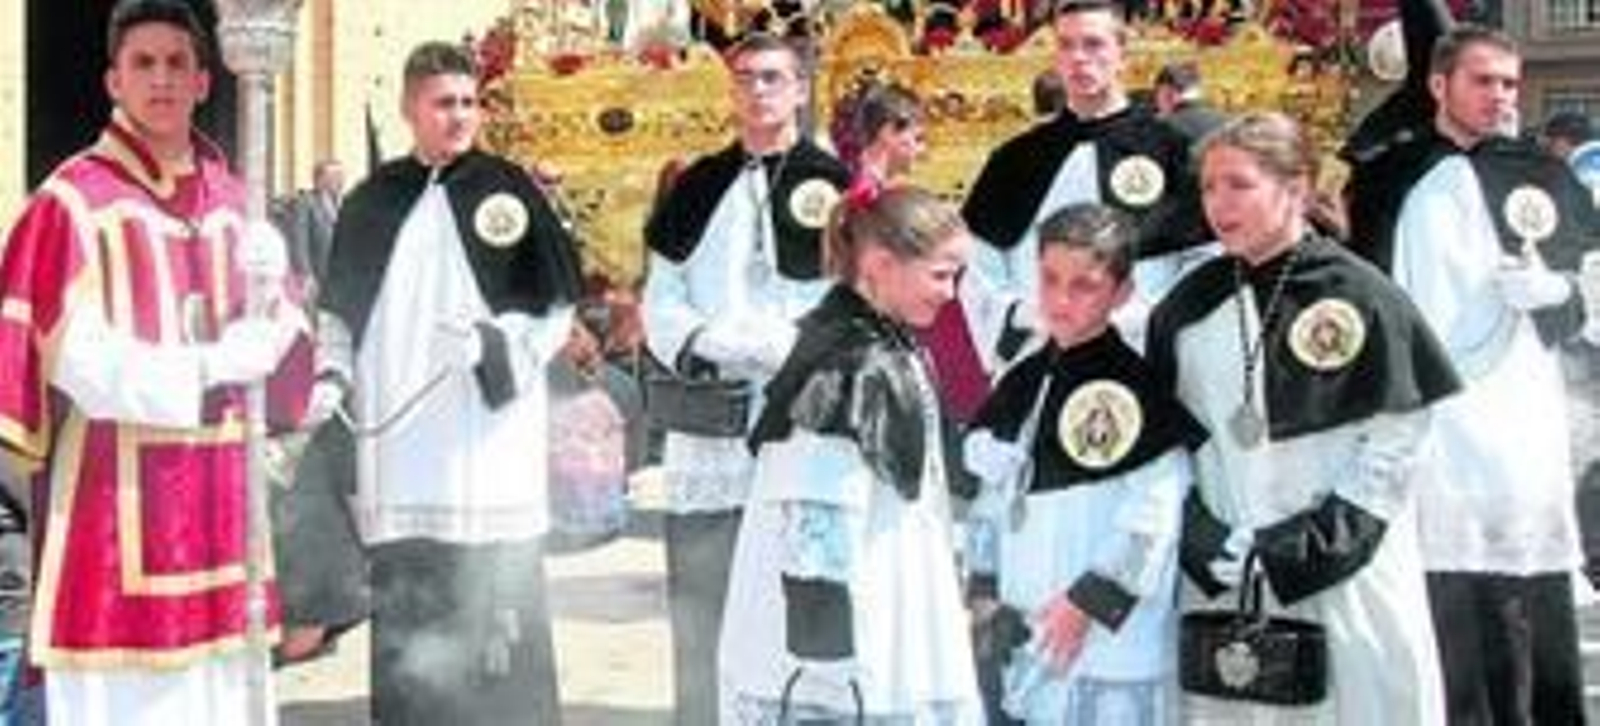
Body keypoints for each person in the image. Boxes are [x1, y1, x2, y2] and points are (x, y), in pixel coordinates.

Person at [0, 0, 313, 722]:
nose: (162, 79)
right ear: (113, 81)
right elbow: (82, 364)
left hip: (226, 523)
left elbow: (287, 381)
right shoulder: (72, 204)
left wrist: (283, 312)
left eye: (178, 63)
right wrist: (212, 366)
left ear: (206, 81)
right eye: (144, 63)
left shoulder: (243, 204)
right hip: (116, 528)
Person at [1145, 111, 1458, 724]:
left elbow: (1399, 437)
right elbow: (1167, 444)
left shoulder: (1362, 293)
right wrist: (1206, 537)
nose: (1217, 203)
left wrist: (1314, 546)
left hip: (1343, 572)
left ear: (1294, 188)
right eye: (1208, 186)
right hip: (1226, 568)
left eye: (1238, 184)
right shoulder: (1187, 306)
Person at [320, 40, 582, 725]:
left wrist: (498, 346)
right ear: (411, 108)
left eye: (469, 102)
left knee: (497, 607)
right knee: (411, 609)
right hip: (403, 448)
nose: (459, 116)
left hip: (489, 444)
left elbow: (555, 310)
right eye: (444, 103)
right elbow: (338, 316)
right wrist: (329, 375)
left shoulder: (509, 190)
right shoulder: (372, 201)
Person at [1379, 25, 1600, 724]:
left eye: (1509, 82)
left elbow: (1593, 288)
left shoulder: (1549, 177)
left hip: (1521, 416)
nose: (1502, 96)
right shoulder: (1390, 177)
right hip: (1427, 420)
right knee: (1439, 598)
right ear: (1439, 86)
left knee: (1526, 597)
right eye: (1484, 80)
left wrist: (1562, 294)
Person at [641, 32, 851, 725]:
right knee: (706, 596)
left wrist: (793, 343)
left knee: (794, 598)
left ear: (799, 89)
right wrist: (709, 341)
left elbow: (860, 292)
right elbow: (661, 297)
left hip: (802, 414)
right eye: (745, 80)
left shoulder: (839, 186)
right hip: (715, 418)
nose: (757, 92)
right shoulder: (696, 186)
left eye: (772, 78)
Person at [718, 185, 982, 724]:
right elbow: (813, 511)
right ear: (881, 265)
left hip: (889, 593)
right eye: (940, 274)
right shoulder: (846, 361)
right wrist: (827, 661)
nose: (952, 293)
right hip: (844, 646)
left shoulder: (884, 342)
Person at [962, 202, 1206, 724]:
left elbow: (1155, 510)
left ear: (1121, 293)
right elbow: (991, 497)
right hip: (1024, 620)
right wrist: (982, 589)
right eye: (1049, 279)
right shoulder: (1024, 377)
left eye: (1084, 285)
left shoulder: (1133, 387)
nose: (1059, 299)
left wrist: (1087, 604)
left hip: (1101, 636)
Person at [961, 0, 1211, 362]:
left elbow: (1203, 259)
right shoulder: (1015, 159)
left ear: (1122, 53)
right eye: (1066, 45)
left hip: (1143, 352)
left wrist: (1143, 322)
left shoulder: (1170, 152)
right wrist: (1024, 318)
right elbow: (979, 267)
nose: (1078, 57)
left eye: (1093, 44)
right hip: (1042, 351)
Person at [1152, 60, 1229, 156]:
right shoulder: (1229, 122)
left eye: (1156, 95)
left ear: (1167, 94)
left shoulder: (1164, 126)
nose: (1156, 103)